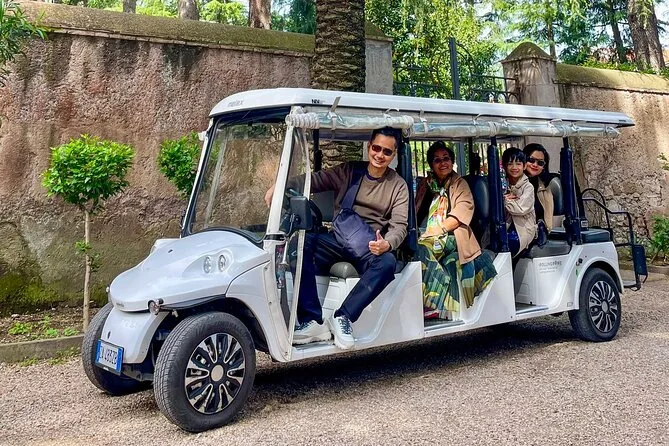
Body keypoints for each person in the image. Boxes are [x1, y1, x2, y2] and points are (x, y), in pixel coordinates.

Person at [264, 127, 409, 350]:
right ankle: (312, 321)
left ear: (394, 154)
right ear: (369, 147)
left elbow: (400, 226)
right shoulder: (349, 171)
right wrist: (281, 184)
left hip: (370, 245)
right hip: (338, 239)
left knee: (388, 263)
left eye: (387, 152)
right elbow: (314, 180)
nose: (380, 155)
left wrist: (387, 243)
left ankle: (344, 316)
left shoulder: (398, 185)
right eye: (376, 148)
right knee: (300, 243)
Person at [414, 141, 496, 320]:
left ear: (452, 161)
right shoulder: (427, 184)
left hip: (453, 236)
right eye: (437, 160)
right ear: (431, 164)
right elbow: (415, 210)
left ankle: (435, 301)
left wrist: (435, 230)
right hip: (426, 232)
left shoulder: (459, 184)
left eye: (446, 158)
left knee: (421, 248)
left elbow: (459, 216)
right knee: (405, 248)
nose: (443, 163)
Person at [502, 147, 536, 257]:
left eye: (518, 164)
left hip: (522, 229)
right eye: (510, 164)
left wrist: (505, 201)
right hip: (505, 226)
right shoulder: (502, 184)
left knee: (506, 244)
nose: (514, 167)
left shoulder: (528, 187)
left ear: (524, 166)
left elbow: (520, 209)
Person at [523, 143, 554, 233]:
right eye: (531, 160)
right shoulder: (513, 185)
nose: (535, 165)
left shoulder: (546, 186)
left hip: (540, 234)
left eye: (540, 163)